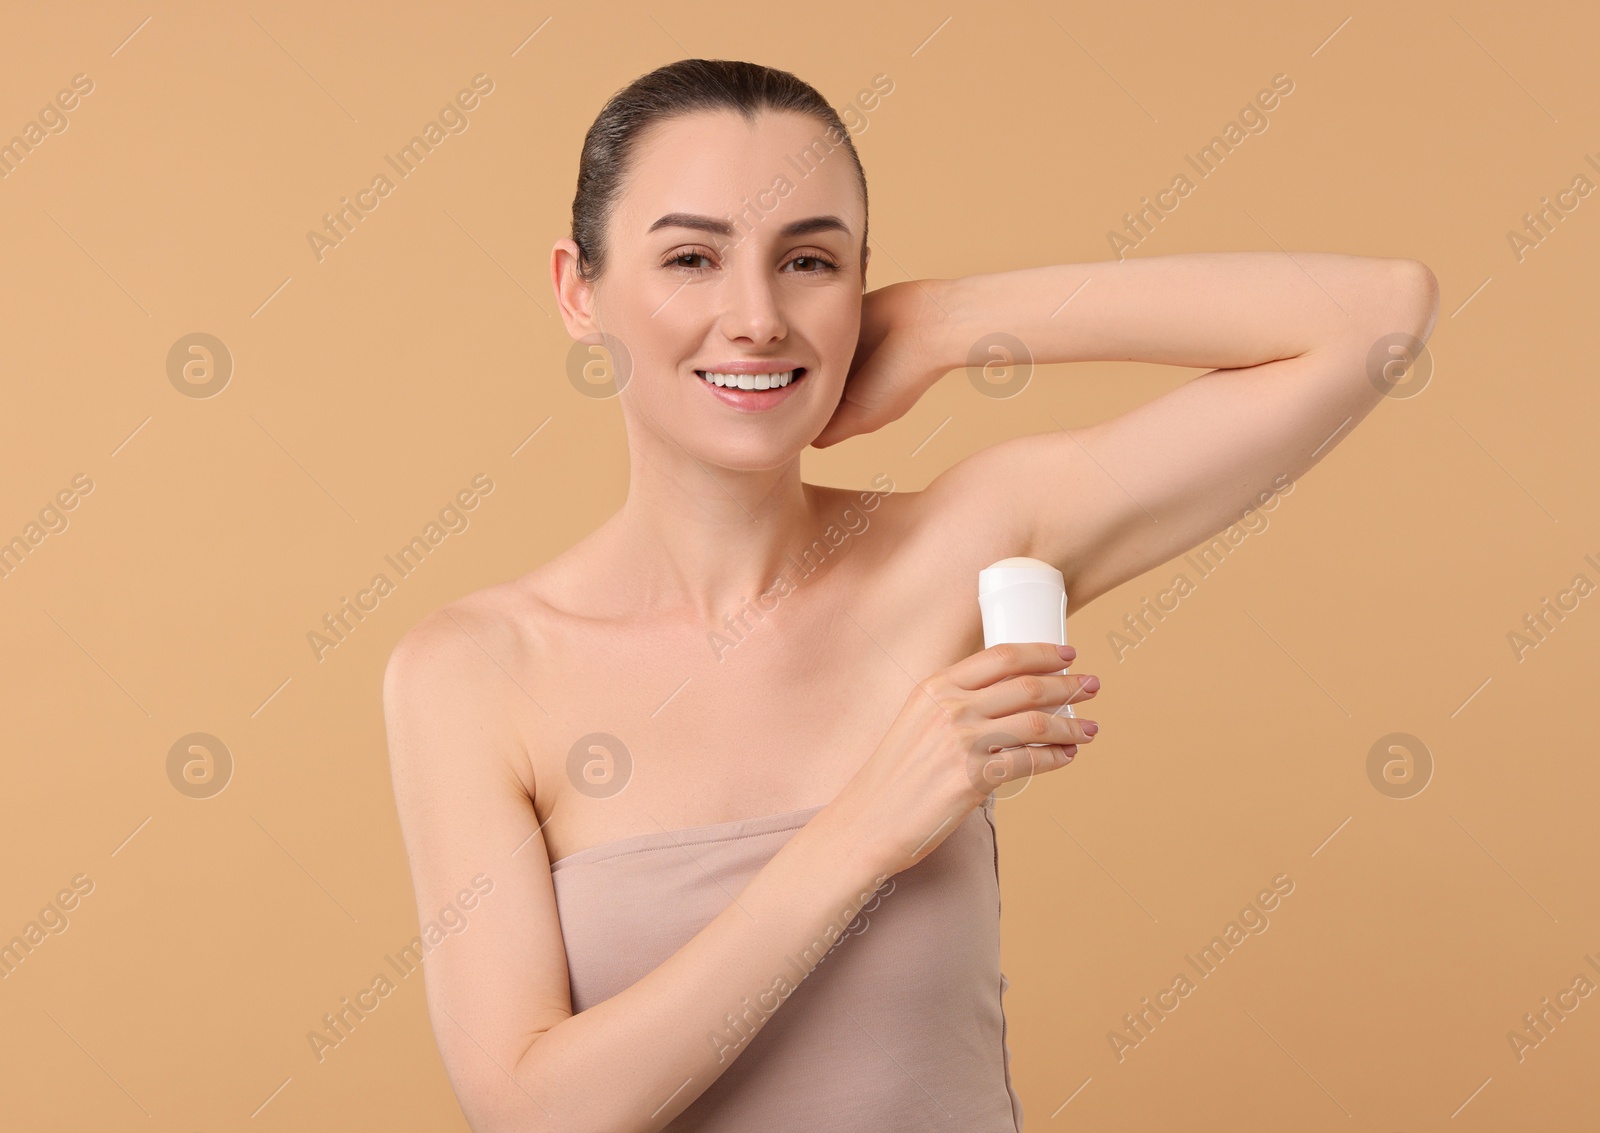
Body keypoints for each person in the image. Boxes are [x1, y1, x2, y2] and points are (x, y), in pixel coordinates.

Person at [383, 57, 1438, 1132]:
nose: (756, 316)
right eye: (691, 257)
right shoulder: (477, 669)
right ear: (578, 288)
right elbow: (533, 1111)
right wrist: (864, 827)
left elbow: (1375, 318)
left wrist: (946, 322)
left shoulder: (958, 548)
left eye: (808, 260)